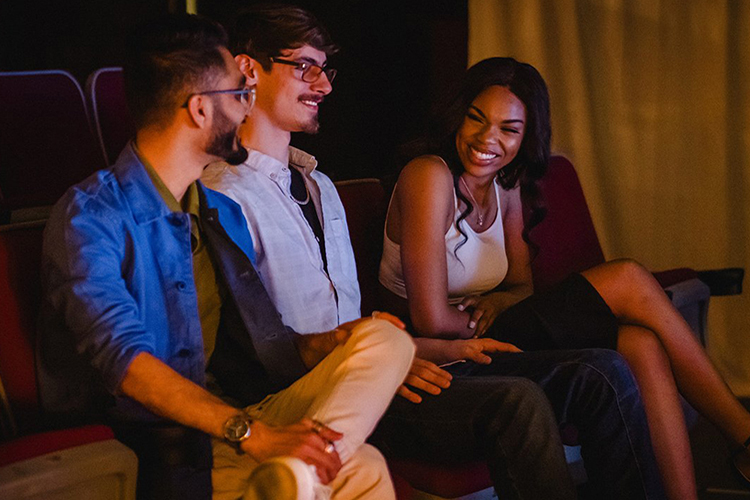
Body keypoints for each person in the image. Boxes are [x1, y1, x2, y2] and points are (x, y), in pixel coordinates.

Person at [203, 6, 667, 499]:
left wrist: (435, 351)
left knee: (601, 372)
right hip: (316, 395)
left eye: (325, 70)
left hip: (379, 371)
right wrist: (383, 366)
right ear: (249, 70)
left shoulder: (320, 186)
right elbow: (258, 355)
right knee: (517, 400)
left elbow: (351, 323)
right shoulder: (222, 197)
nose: (325, 86)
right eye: (304, 67)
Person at [35, 13, 415, 500]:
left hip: (231, 419)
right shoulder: (89, 218)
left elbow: (253, 350)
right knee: (360, 468)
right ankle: (298, 478)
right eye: (238, 94)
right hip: (150, 447)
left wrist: (327, 342)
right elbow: (126, 363)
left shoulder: (216, 210)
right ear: (198, 110)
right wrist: (252, 434)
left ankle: (297, 478)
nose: (245, 108)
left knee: (387, 341)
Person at [379, 56, 750, 499]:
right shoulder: (429, 175)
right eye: (476, 119)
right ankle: (744, 437)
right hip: (442, 352)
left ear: (525, 136)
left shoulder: (505, 184)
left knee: (639, 343)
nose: (486, 139)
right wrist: (497, 310)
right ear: (458, 115)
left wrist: (501, 301)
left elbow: (521, 287)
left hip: (490, 331)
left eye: (508, 129)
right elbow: (432, 319)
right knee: (629, 278)